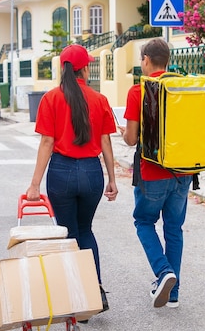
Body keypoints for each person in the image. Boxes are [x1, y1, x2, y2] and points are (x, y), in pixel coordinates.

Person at [26, 44, 118, 312]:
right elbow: (106, 143)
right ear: (85, 69)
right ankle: (95, 290)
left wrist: (34, 185)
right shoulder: (99, 100)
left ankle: (77, 298)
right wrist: (112, 178)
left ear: (63, 68)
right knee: (86, 230)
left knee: (69, 235)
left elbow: (46, 142)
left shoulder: (51, 98)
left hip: (62, 173)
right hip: (91, 173)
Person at [121, 38, 192, 309]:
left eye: (141, 60)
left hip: (152, 172)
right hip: (183, 171)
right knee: (174, 228)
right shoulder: (183, 87)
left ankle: (164, 273)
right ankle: (173, 294)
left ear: (147, 60)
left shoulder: (138, 91)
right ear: (168, 61)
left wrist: (124, 134)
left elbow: (131, 138)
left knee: (144, 222)